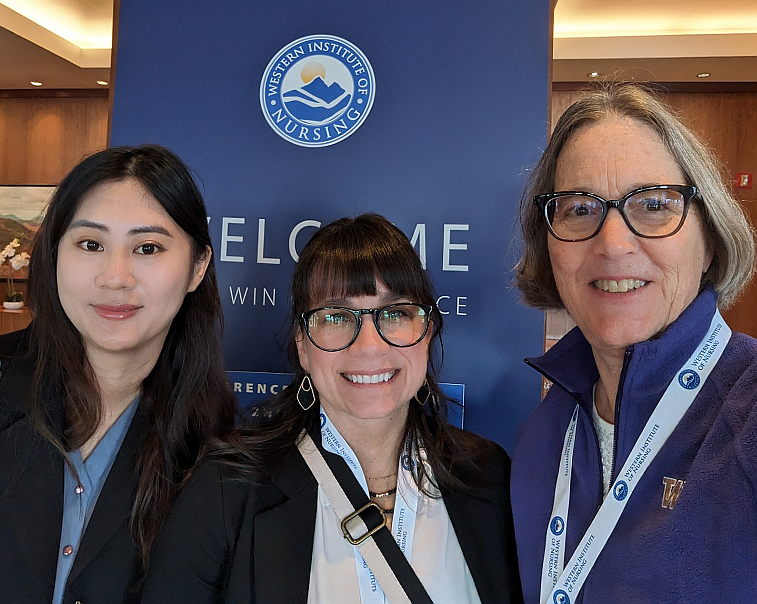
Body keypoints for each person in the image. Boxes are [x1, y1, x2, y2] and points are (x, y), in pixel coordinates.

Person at [142, 213, 522, 603]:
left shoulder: (488, 476)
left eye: (395, 313)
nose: (370, 346)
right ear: (303, 348)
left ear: (426, 333)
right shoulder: (227, 488)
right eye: (337, 317)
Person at [511, 83, 757, 604]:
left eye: (653, 205)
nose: (614, 243)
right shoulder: (541, 437)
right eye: (579, 208)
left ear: (709, 238)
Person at [0, 145, 238, 604]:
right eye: (91, 245)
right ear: (54, 255)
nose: (115, 277)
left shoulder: (218, 451)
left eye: (147, 248)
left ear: (197, 267)